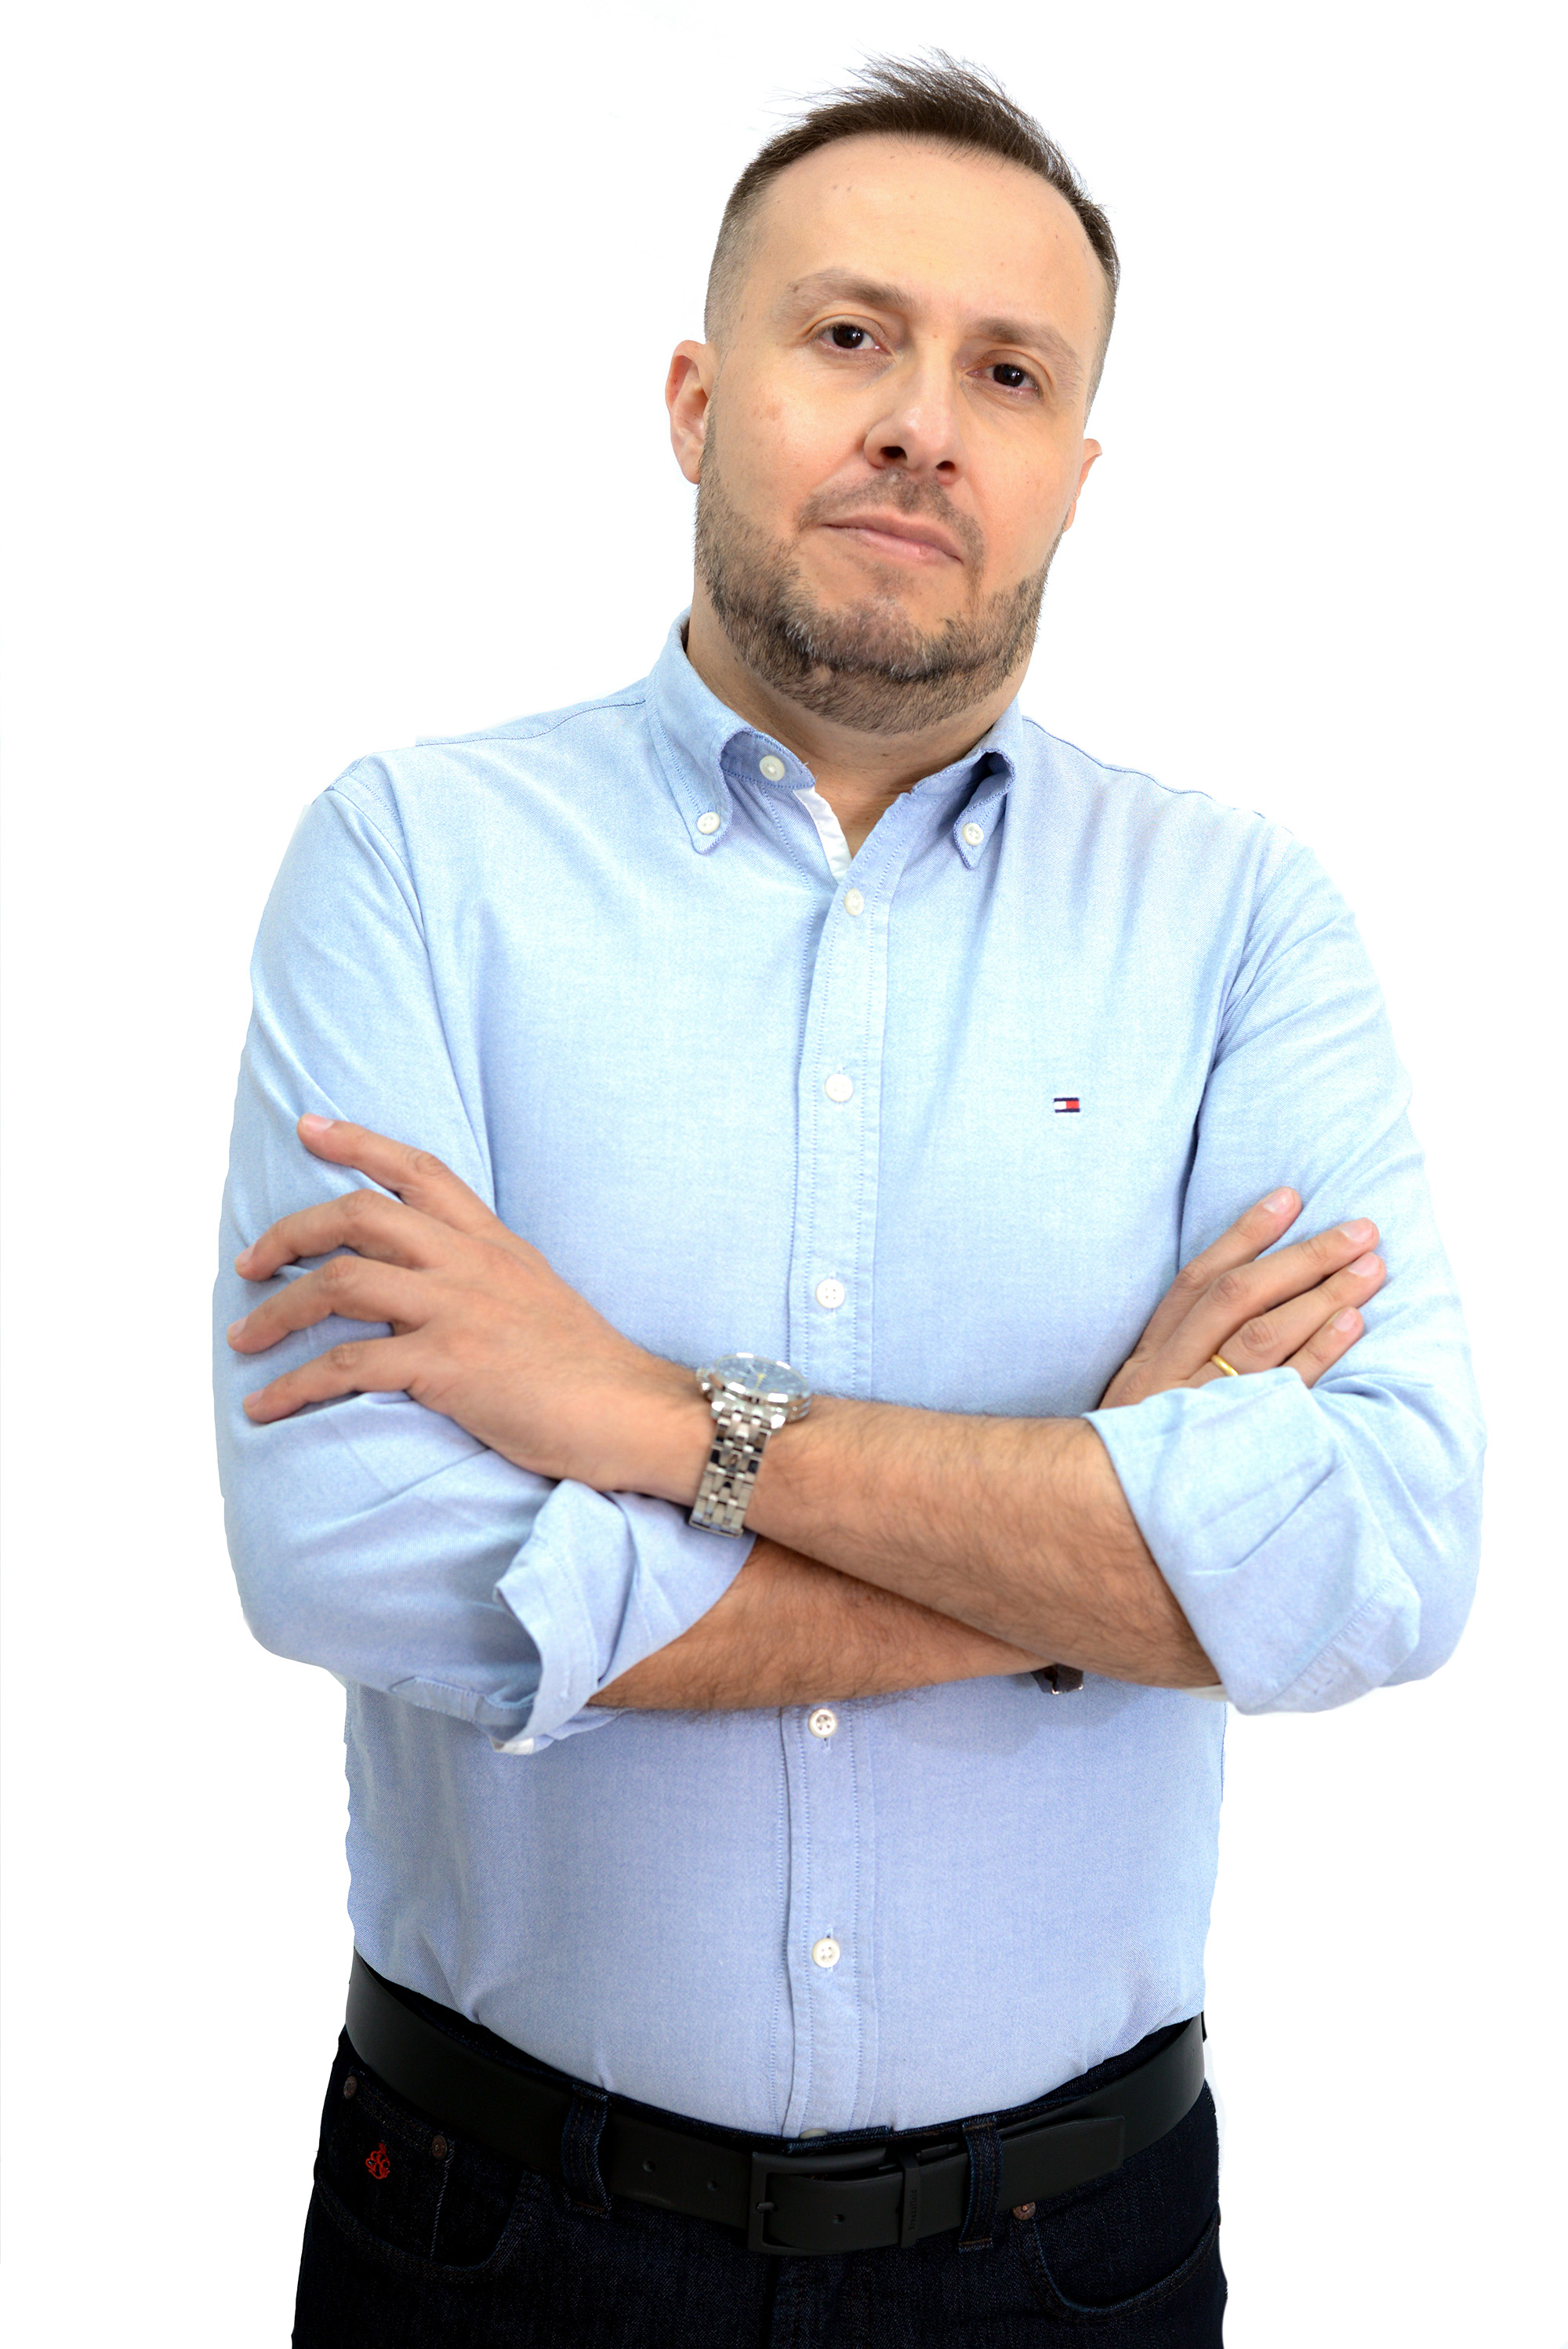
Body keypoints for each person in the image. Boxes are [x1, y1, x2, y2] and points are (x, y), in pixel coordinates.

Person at [214, 54, 1483, 2348]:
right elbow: (353, 1548)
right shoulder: (413, 863)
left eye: (1009, 374)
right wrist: (1098, 1546)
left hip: (1070, 2260)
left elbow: (1381, 1550)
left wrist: (647, 1419)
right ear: (698, 400)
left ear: (1074, 472)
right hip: (495, 2240)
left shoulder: (1237, 922)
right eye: (849, 336)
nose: (923, 423)